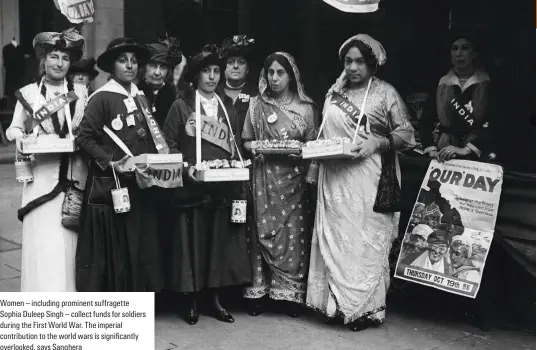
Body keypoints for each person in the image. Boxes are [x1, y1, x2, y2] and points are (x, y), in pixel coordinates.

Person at [306, 34, 415, 331]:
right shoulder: (333, 93)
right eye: (348, 61)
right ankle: (334, 306)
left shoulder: (385, 93)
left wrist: (378, 142)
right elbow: (323, 132)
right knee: (336, 237)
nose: (353, 67)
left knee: (362, 241)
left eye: (360, 62)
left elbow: (407, 135)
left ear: (372, 65)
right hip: (334, 177)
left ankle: (364, 309)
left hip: (369, 176)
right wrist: (314, 165)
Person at [162, 44, 251, 325]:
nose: (212, 77)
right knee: (192, 245)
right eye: (206, 71)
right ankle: (190, 300)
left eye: (216, 71)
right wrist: (186, 167)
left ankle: (214, 298)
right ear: (196, 76)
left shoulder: (227, 107)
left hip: (220, 186)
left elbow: (234, 144)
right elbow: (168, 144)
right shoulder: (182, 105)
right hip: (191, 187)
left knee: (217, 244)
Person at [75, 37, 164, 292]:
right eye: (123, 61)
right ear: (112, 67)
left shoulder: (141, 97)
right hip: (110, 183)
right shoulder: (101, 98)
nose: (130, 66)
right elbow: (84, 138)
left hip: (138, 182)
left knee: (137, 244)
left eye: (134, 61)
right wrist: (112, 162)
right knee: (114, 247)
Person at [5, 29, 88, 291]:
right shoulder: (29, 94)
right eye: (54, 56)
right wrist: (23, 140)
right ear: (44, 59)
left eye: (65, 57)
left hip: (74, 178)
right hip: (41, 178)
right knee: (43, 244)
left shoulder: (82, 93)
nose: (59, 63)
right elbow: (13, 129)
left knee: (68, 244)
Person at [242, 52, 318, 317]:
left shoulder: (306, 108)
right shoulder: (256, 105)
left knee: (292, 235)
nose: (274, 78)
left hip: (294, 182)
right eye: (270, 73)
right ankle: (259, 292)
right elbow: (247, 142)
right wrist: (260, 148)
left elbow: (312, 146)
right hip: (264, 179)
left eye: (280, 73)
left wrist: (303, 152)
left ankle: (290, 295)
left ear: (291, 75)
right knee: (260, 229)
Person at [420, 28, 493, 162]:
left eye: (465, 48)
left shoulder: (487, 83)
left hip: (476, 151)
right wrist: (431, 148)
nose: (459, 54)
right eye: (455, 48)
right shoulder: (442, 83)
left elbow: (496, 122)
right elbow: (426, 118)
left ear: (474, 54)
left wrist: (468, 149)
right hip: (444, 151)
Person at [138, 35, 182, 127]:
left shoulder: (175, 98)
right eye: (153, 65)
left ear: (168, 72)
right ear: (144, 68)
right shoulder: (133, 93)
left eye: (163, 67)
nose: (157, 72)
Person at [219, 35, 257, 130]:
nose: (235, 66)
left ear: (247, 69)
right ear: (223, 68)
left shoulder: (256, 96)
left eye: (241, 62)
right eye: (231, 62)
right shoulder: (214, 93)